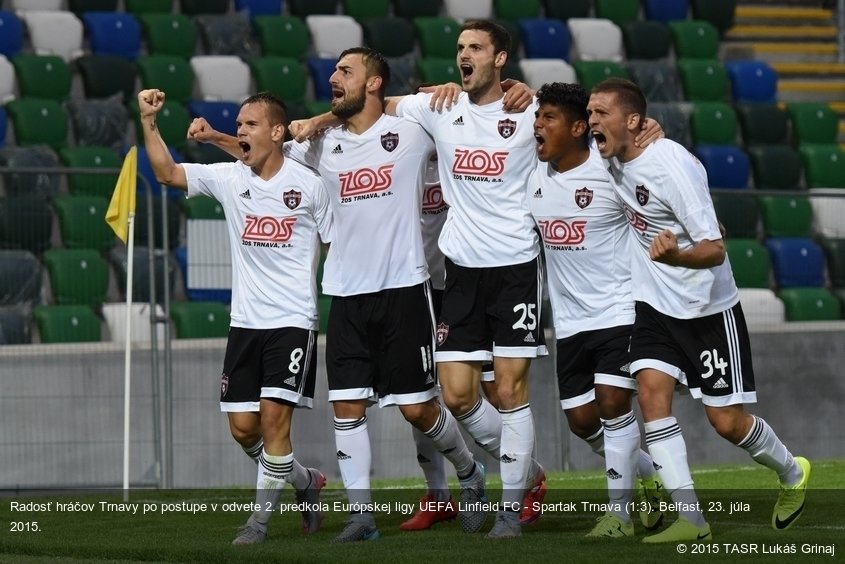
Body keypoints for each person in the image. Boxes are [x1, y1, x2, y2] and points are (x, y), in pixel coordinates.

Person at [190, 47, 488, 542]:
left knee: (418, 408)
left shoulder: (412, 130)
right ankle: (362, 517)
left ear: (373, 83)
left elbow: (476, 118)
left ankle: (469, 471)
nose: (333, 76)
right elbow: (262, 156)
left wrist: (507, 91)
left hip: (404, 288)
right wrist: (220, 137)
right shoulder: (318, 146)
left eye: (345, 71)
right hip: (345, 295)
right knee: (346, 407)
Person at [587, 77, 811, 543]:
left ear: (631, 121)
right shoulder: (612, 154)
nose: (591, 123)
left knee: (726, 422)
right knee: (650, 395)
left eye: (600, 114)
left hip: (707, 308)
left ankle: (792, 472)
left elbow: (714, 248)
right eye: (589, 114)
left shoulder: (671, 166)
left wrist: (676, 257)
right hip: (654, 306)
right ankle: (691, 519)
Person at [137, 89, 331, 545]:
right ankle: (306, 482)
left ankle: (257, 523)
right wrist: (148, 120)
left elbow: (335, 243)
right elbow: (166, 173)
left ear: (277, 132)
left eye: (250, 124)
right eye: (239, 124)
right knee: (244, 430)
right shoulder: (229, 178)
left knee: (273, 422)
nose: (240, 130)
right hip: (244, 322)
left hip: (292, 321)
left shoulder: (310, 186)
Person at [527, 81, 665, 538]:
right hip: (568, 322)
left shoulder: (613, 173)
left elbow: (658, 184)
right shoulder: (533, 176)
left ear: (579, 127)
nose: (537, 125)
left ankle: (619, 517)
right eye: (537, 116)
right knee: (583, 422)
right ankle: (649, 474)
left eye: (548, 118)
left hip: (620, 310)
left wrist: (653, 135)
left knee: (611, 403)